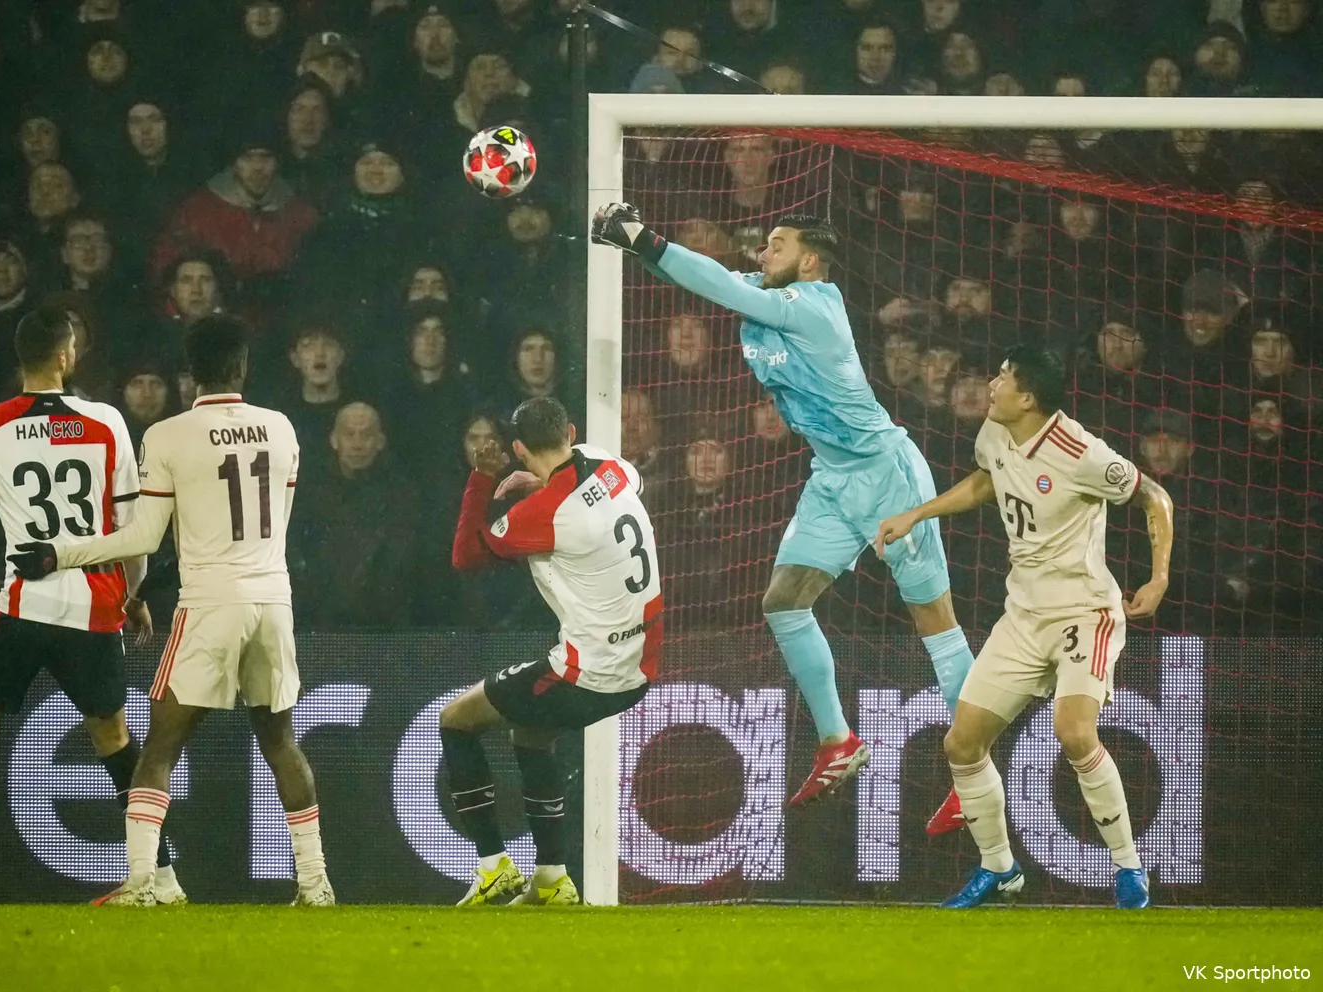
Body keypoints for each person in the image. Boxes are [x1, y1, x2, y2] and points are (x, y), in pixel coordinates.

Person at [592, 205, 980, 820]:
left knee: (935, 622)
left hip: (887, 474)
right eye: (765, 243)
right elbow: (708, 279)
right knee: (783, 601)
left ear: (809, 260)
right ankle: (838, 740)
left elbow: (720, 285)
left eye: (778, 244)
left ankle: (974, 772)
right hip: (832, 478)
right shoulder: (765, 293)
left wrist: (644, 237)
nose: (764, 251)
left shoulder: (814, 305)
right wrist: (638, 249)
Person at [7, 315, 333, 908]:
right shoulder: (281, 428)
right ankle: (316, 884)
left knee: (159, 746)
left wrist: (59, 552)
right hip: (273, 598)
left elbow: (142, 537)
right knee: (280, 740)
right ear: (242, 367)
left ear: (190, 374)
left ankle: (141, 885)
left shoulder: (167, 436)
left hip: (209, 602)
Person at [875, 346, 1174, 909]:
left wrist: (1157, 580)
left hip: (1085, 612)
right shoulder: (994, 430)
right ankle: (999, 867)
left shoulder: (1080, 451)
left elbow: (1154, 497)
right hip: (1023, 616)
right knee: (962, 743)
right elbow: (987, 481)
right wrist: (918, 513)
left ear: (1029, 398)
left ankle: (1129, 866)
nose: (992, 384)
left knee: (1075, 732)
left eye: (1003, 378)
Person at [0, 306, 176, 907]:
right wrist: (134, 596)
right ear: (66, 355)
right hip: (94, 607)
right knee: (115, 740)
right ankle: (163, 879)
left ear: (19, 357)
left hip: (22, 607)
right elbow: (131, 528)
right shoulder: (107, 422)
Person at [440, 396, 662, 906]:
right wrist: (542, 482)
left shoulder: (543, 514)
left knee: (455, 720)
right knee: (531, 733)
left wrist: (482, 479)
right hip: (640, 664)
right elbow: (597, 491)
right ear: (571, 432)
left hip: (586, 675)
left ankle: (493, 865)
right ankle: (552, 878)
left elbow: (466, 556)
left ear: (518, 449)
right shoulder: (611, 465)